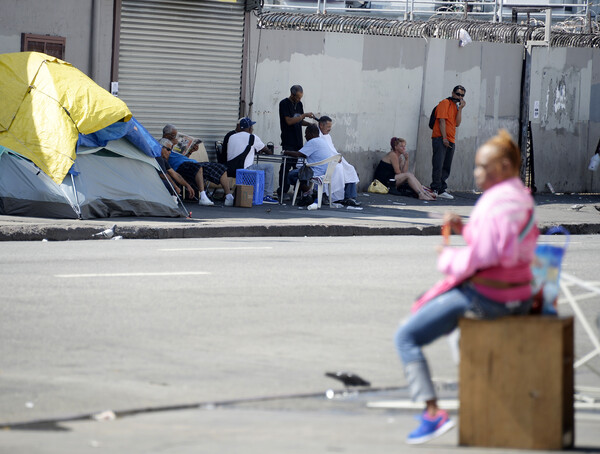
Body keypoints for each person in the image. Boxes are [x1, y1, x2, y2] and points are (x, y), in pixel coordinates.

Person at [394, 129, 539, 445]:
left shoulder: (494, 202)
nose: (477, 174)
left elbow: (484, 256)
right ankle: (487, 398)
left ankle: (432, 413)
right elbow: (503, 245)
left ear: (502, 166)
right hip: (518, 295)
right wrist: (466, 228)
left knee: (406, 337)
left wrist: (448, 259)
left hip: (488, 296)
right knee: (457, 330)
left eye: (482, 167)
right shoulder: (520, 199)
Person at [162, 124, 234, 207]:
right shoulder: (164, 146)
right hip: (180, 167)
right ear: (166, 135)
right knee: (198, 168)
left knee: (221, 167)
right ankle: (203, 196)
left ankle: (228, 197)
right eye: (173, 136)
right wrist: (171, 147)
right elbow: (165, 162)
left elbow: (184, 157)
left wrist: (190, 151)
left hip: (190, 163)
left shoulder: (176, 144)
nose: (175, 138)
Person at [226, 117, 278, 204]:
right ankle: (266, 195)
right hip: (246, 170)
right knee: (269, 167)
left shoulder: (231, 137)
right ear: (250, 128)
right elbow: (268, 151)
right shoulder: (252, 137)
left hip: (231, 170)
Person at [430, 85, 467, 200]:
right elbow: (441, 121)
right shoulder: (444, 103)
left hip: (451, 138)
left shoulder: (455, 106)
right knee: (438, 164)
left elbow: (457, 123)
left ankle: (441, 189)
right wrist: (444, 138)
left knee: (446, 166)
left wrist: (460, 109)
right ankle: (435, 188)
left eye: (462, 95)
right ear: (452, 92)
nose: (459, 97)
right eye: (458, 94)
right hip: (441, 138)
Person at [278, 85, 315, 196]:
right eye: (298, 97)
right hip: (288, 139)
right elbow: (289, 121)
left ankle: (298, 191)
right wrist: (304, 115)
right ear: (292, 94)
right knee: (286, 165)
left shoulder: (299, 104)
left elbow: (300, 121)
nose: (299, 100)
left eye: (301, 97)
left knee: (298, 166)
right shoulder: (284, 104)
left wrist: (310, 124)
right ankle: (283, 189)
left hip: (298, 140)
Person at [317, 116, 361, 206]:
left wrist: (338, 157)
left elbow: (332, 150)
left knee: (349, 169)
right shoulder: (317, 135)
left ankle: (350, 197)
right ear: (321, 125)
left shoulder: (327, 136)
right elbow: (322, 153)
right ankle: (330, 196)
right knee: (338, 169)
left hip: (334, 159)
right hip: (324, 162)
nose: (330, 129)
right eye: (328, 127)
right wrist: (334, 159)